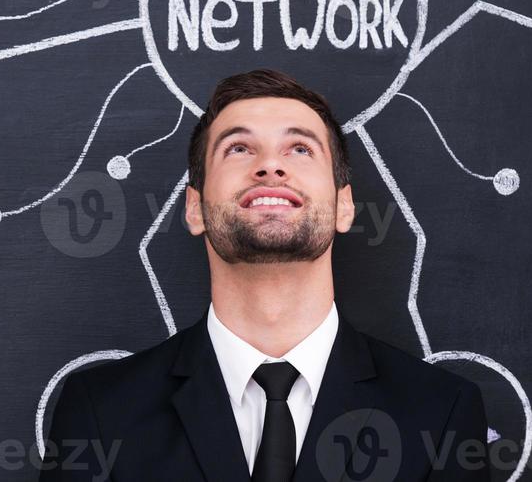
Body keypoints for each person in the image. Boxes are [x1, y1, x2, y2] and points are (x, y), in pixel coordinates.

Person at [39, 68, 490, 481]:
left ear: (345, 205)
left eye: (300, 148)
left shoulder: (441, 413)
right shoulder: (99, 414)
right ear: (194, 208)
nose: (270, 166)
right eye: (238, 148)